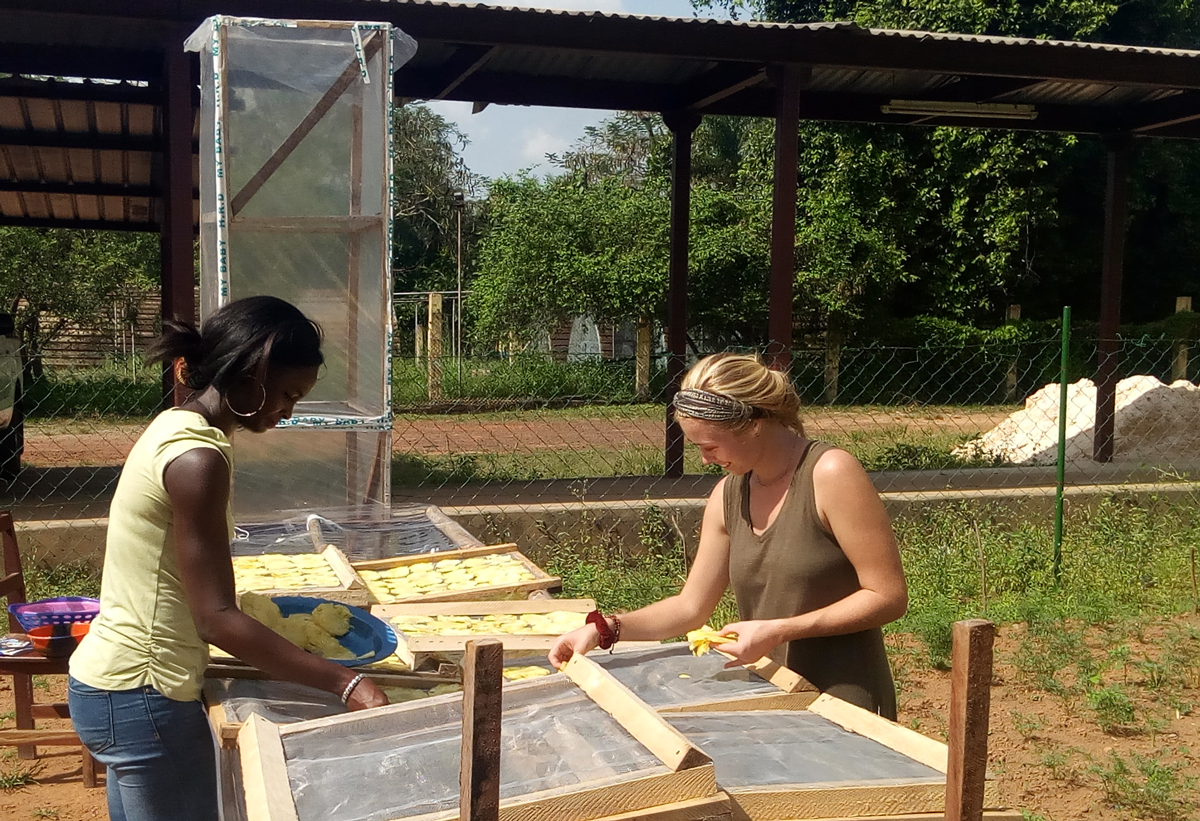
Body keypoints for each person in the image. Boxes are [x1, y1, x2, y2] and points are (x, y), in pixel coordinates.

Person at [68, 296, 388, 821]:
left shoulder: (176, 427)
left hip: (110, 686)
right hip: (145, 694)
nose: (288, 412)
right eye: (286, 394)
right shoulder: (198, 459)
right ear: (251, 375)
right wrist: (345, 681)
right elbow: (214, 617)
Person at [549, 352, 907, 718]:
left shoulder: (830, 473)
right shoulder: (728, 493)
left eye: (710, 446)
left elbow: (888, 596)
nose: (704, 460)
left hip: (846, 704)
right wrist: (605, 629)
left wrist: (781, 630)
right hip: (775, 697)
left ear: (752, 424)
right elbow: (691, 607)